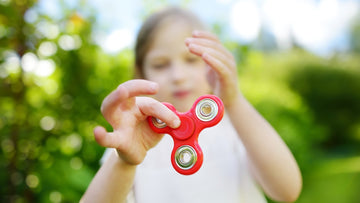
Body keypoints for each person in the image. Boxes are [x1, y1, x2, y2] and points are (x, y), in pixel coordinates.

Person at [81, 7, 302, 203]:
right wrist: (125, 163)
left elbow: (287, 191)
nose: (178, 76)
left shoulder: (236, 126)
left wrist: (234, 101)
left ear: (211, 64)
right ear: (141, 73)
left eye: (191, 60)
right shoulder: (133, 141)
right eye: (160, 65)